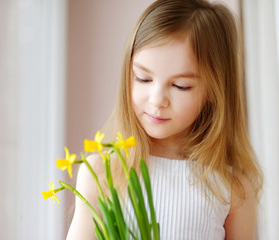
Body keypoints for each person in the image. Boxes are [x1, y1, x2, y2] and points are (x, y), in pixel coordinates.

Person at [67, 0, 263, 239]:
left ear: (214, 91)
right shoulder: (102, 171)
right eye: (143, 79)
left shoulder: (234, 187)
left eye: (180, 86)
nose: (157, 99)